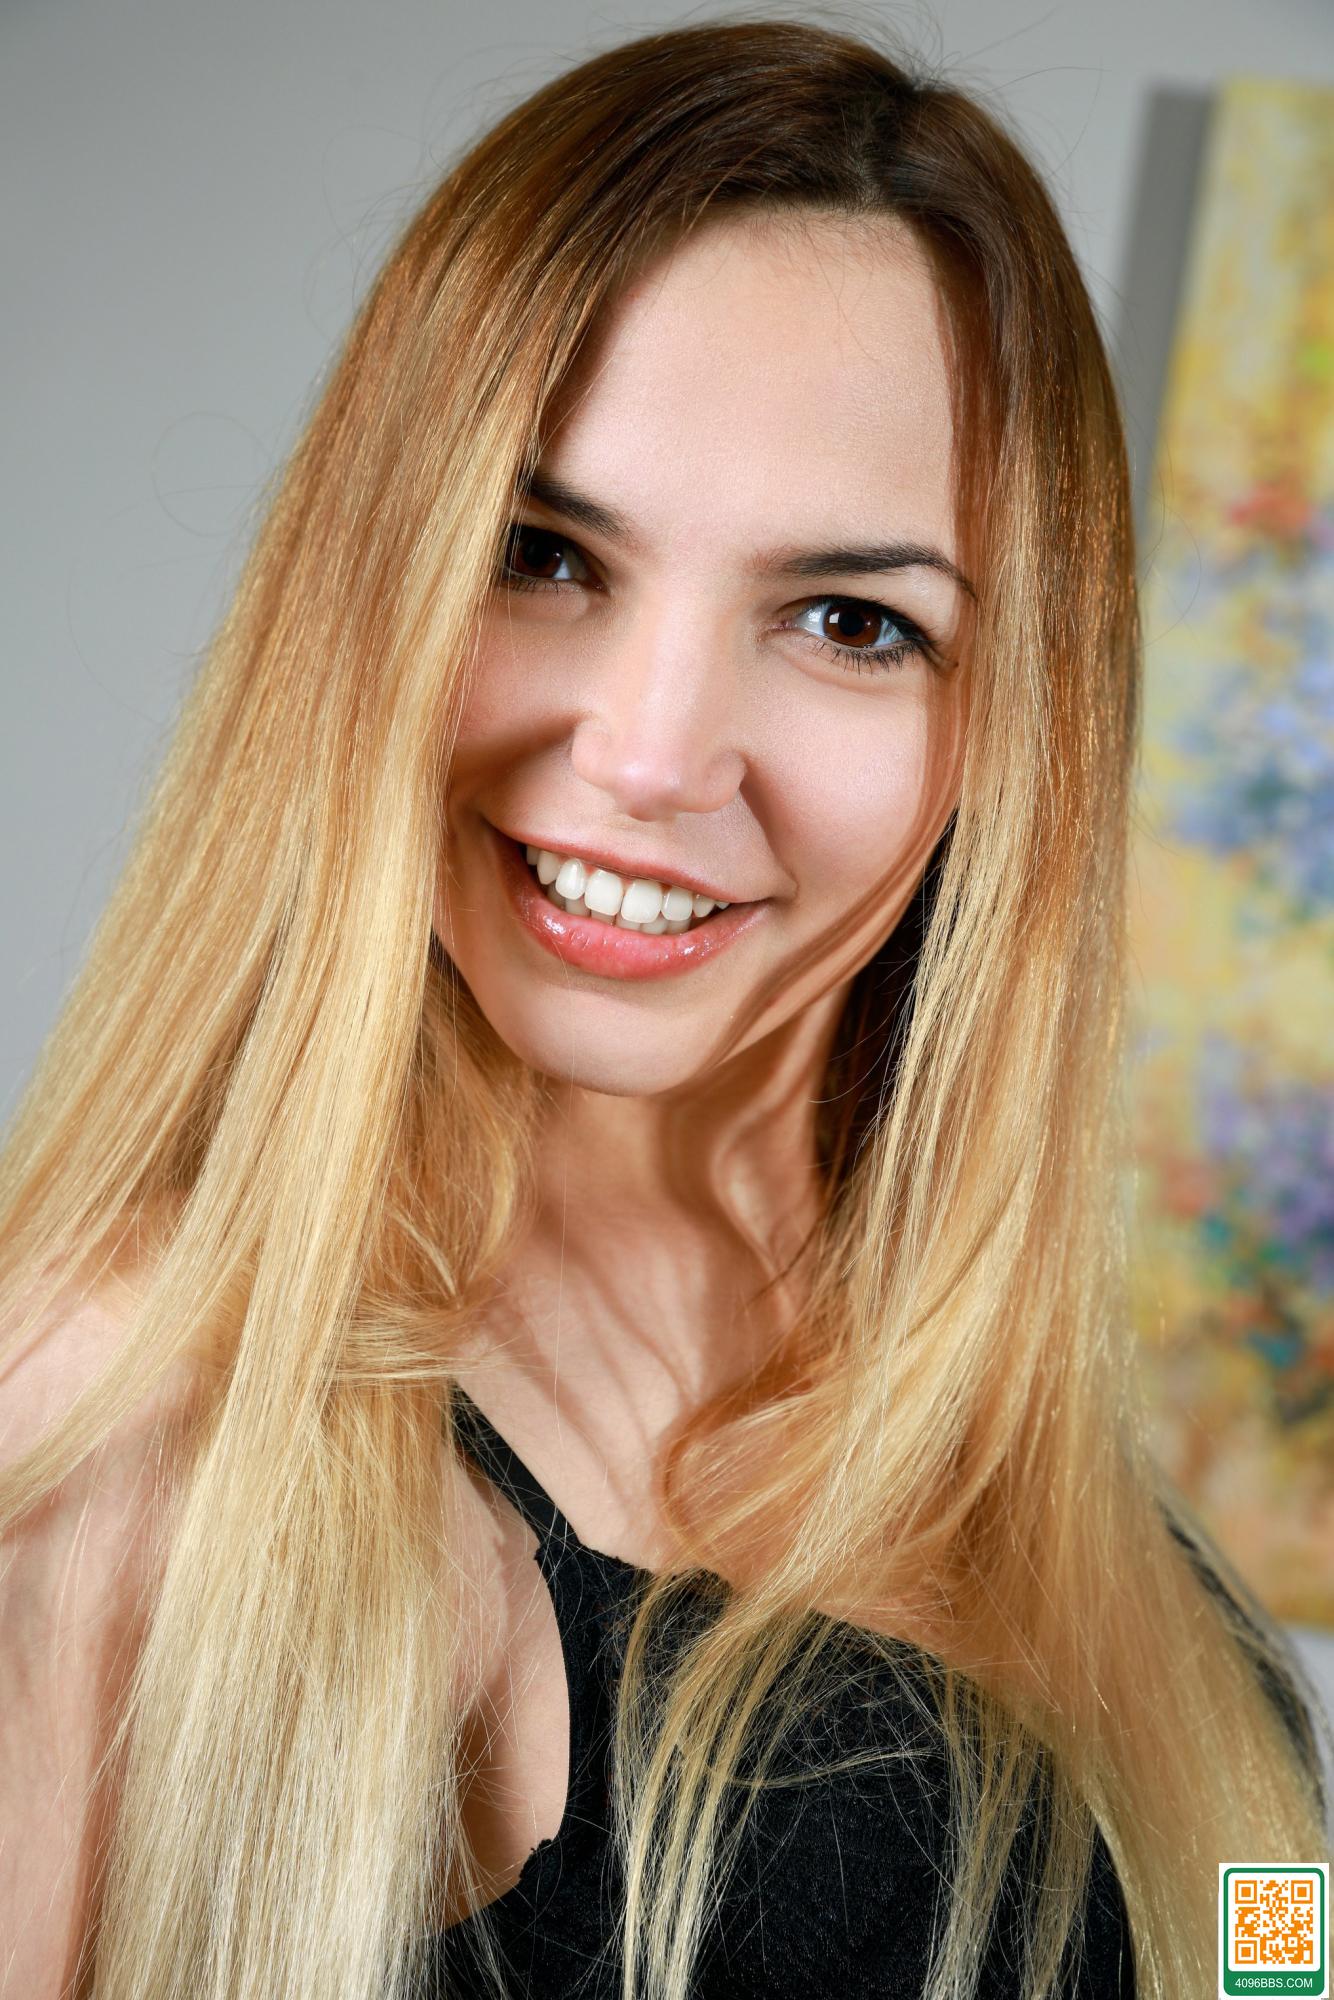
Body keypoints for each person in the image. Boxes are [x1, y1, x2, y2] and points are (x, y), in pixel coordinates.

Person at [0, 16, 1326, 2000]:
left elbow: (1276, 1952)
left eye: (848, 620)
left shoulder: (1162, 1601)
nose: (648, 752)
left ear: (1010, 728)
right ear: (367, 591)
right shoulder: (124, 1409)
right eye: (540, 555)